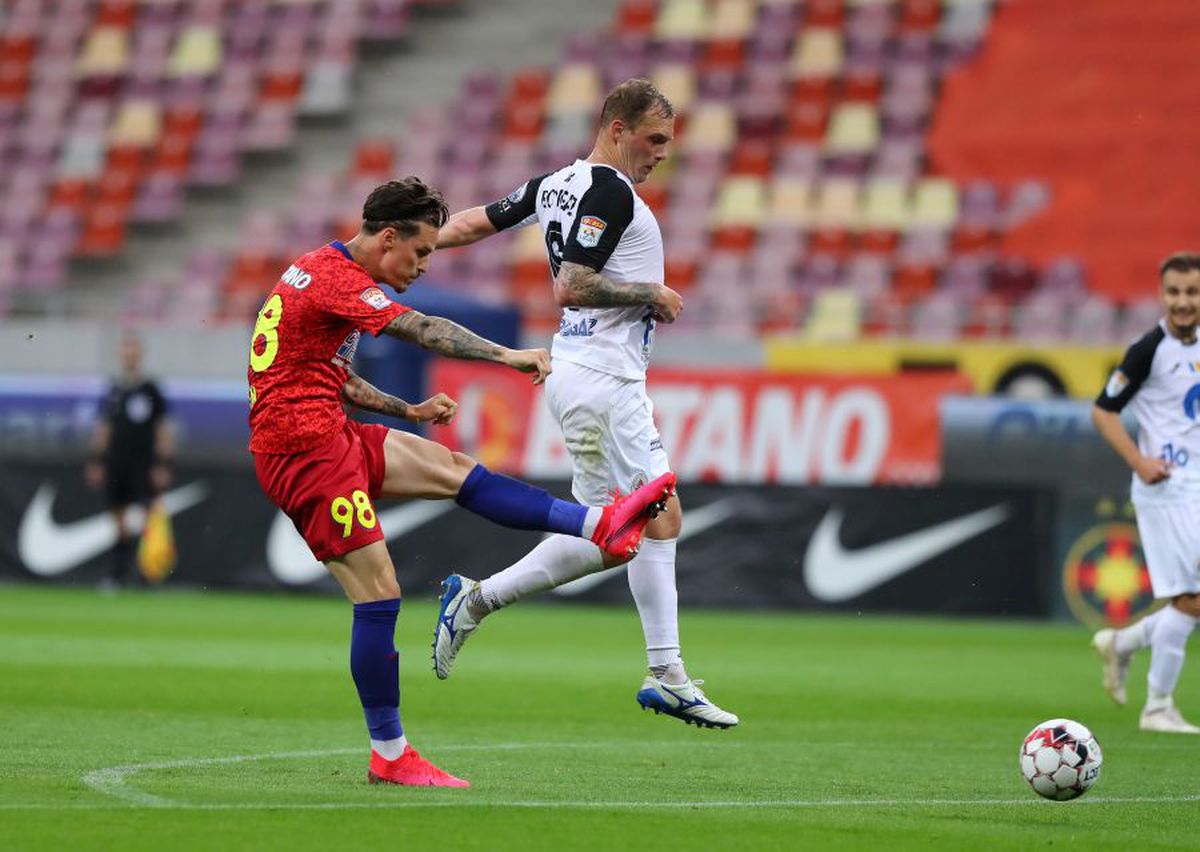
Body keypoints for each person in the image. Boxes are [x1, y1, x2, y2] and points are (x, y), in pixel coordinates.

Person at [247, 176, 675, 788]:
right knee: (378, 594)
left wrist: (407, 411)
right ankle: (390, 754)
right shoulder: (341, 280)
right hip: (303, 452)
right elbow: (421, 330)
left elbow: (325, 373)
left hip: (328, 429)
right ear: (387, 237)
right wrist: (507, 356)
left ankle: (599, 523)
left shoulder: (319, 271)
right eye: (420, 252)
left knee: (453, 470)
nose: (424, 264)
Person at [433, 78, 738, 729]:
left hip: (582, 374)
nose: (661, 155)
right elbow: (573, 284)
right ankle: (667, 673)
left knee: (615, 532)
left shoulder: (554, 184)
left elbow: (474, 221)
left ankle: (476, 600)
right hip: (602, 379)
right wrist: (648, 295)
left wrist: (416, 241)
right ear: (617, 128)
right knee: (659, 514)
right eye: (654, 140)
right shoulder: (607, 191)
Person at [1091, 251, 1200, 734]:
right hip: (1167, 488)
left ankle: (1125, 643)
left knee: (1193, 601)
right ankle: (1157, 706)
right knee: (1193, 599)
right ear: (1162, 294)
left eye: (1192, 292)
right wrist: (1139, 460)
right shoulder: (1148, 348)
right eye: (1174, 292)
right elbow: (1103, 410)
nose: (1183, 302)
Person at [86, 332, 172, 590]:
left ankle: (147, 575)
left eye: (133, 350)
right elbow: (104, 429)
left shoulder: (151, 390)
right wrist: (97, 460)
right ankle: (118, 575)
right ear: (121, 354)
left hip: (143, 463)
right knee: (119, 521)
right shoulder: (114, 390)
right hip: (116, 463)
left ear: (140, 355)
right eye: (126, 350)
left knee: (148, 517)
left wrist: (162, 463)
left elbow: (162, 429)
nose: (130, 355)